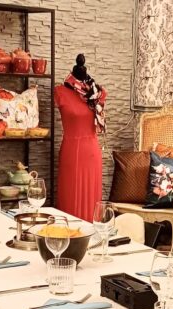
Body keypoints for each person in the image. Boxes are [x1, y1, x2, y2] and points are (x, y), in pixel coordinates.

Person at [54, 54, 107, 221]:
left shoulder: (98, 93)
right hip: (71, 153)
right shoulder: (60, 92)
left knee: (92, 206)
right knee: (70, 201)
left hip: (92, 154)